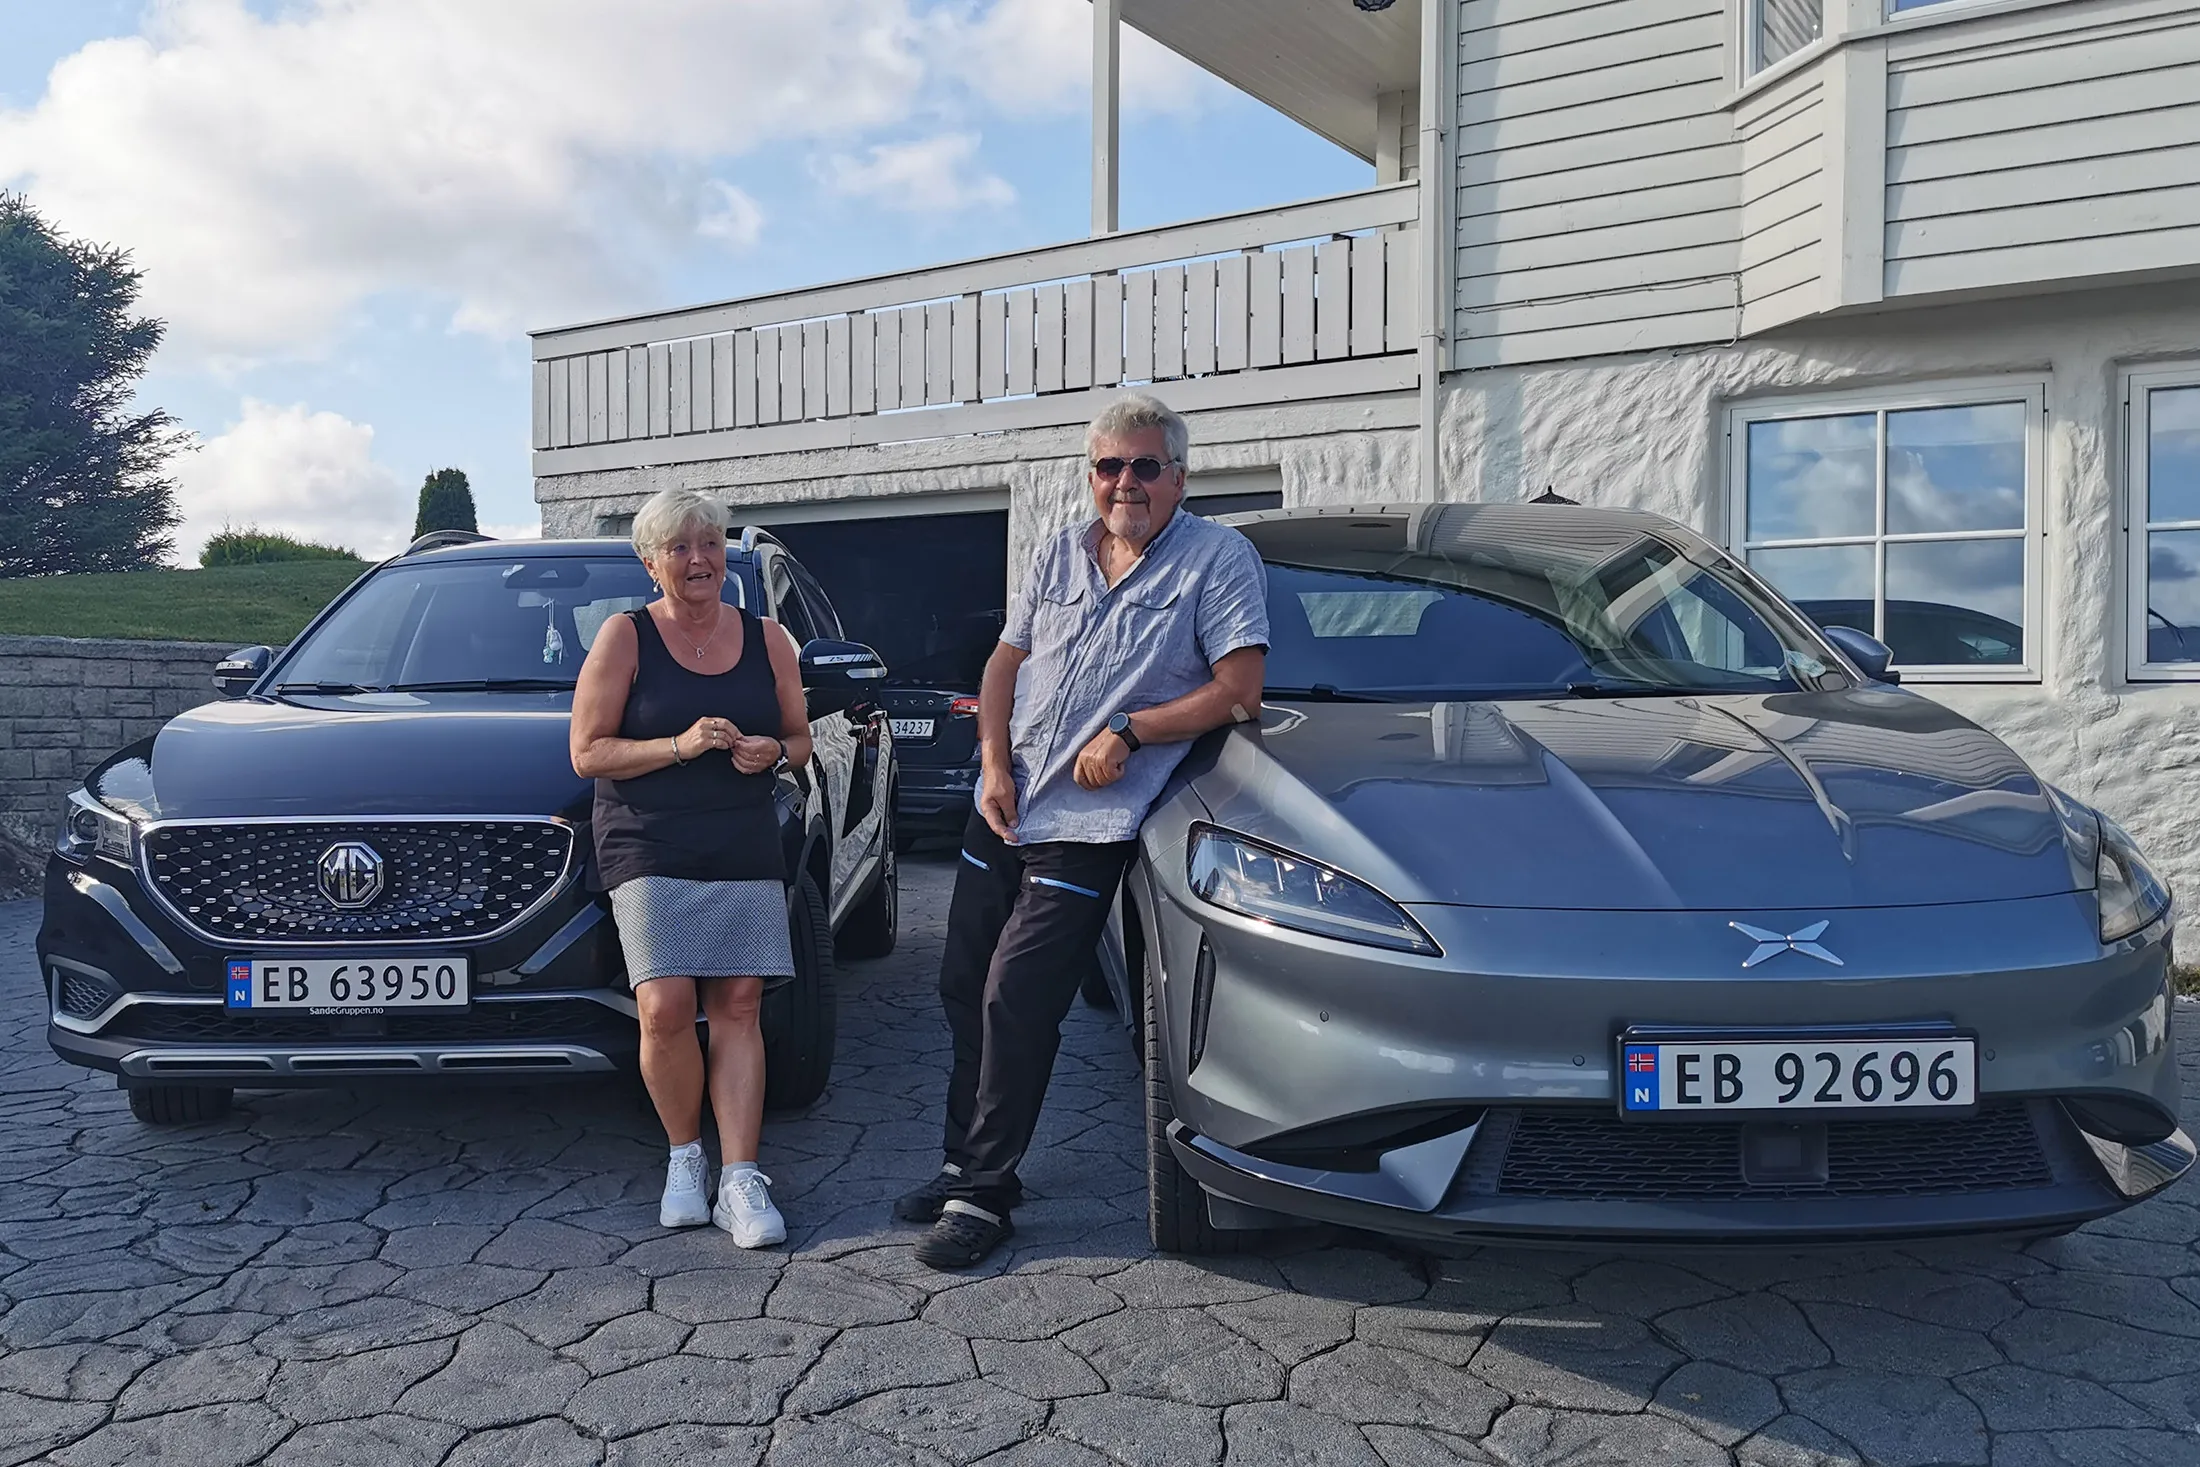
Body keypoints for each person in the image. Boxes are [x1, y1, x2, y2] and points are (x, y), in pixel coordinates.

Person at [899, 393, 1270, 1270]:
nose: (1125, 482)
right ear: (1091, 474)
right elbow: (1006, 660)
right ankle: (962, 1158)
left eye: (1144, 466)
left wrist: (1132, 730)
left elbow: (1239, 689)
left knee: (1017, 995)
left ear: (1179, 477)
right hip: (1007, 800)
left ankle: (985, 1192)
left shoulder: (1218, 557)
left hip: (1090, 823)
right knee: (964, 982)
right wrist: (993, 763)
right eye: (1109, 466)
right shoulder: (1060, 549)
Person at [570, 488, 811, 1247]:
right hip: (649, 839)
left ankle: (741, 1178)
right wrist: (679, 745)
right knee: (665, 1005)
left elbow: (800, 739)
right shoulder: (626, 636)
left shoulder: (768, 638)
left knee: (739, 1001)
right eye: (679, 547)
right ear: (652, 563)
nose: (699, 559)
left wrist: (773, 752)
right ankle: (684, 1157)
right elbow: (588, 752)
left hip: (740, 834)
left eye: (709, 543)